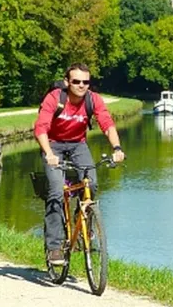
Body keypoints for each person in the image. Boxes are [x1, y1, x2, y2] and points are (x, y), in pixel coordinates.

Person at [34, 63, 125, 265]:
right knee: (57, 191)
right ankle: (55, 247)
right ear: (67, 82)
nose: (81, 85)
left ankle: (82, 218)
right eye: (76, 81)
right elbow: (40, 128)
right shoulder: (55, 98)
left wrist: (117, 148)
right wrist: (48, 153)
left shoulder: (93, 100)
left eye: (86, 82)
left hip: (78, 145)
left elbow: (107, 124)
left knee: (91, 183)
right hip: (53, 145)